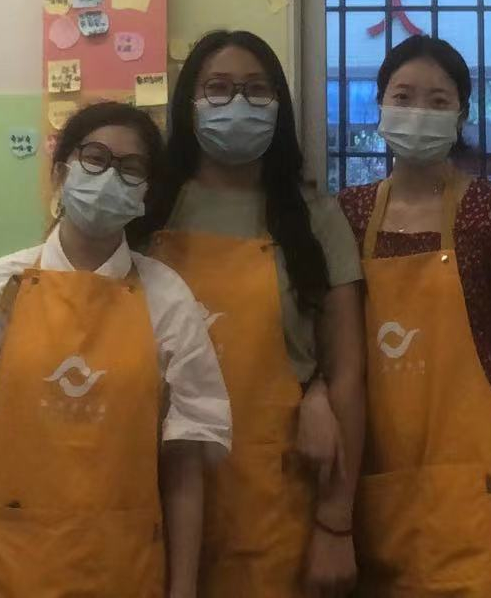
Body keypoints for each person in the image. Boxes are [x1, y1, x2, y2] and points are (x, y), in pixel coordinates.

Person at [0, 101, 232, 598]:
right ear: (60, 172)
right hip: (7, 570)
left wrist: (182, 589)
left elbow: (184, 467)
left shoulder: (168, 298)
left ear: (146, 192)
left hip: (124, 570)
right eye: (94, 158)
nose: (110, 177)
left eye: (131, 167)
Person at [137, 30, 364, 598]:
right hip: (147, 488)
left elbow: (347, 372)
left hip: (272, 497)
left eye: (256, 90)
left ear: (279, 106)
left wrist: (335, 521)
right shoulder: (144, 210)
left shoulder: (314, 216)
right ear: (189, 103)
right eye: (218, 88)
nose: (237, 103)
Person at [336, 35, 491, 598]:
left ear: (461, 114)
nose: (418, 112)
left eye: (438, 101)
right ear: (380, 105)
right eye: (403, 96)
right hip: (368, 489)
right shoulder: (348, 213)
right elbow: (332, 361)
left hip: (475, 493)